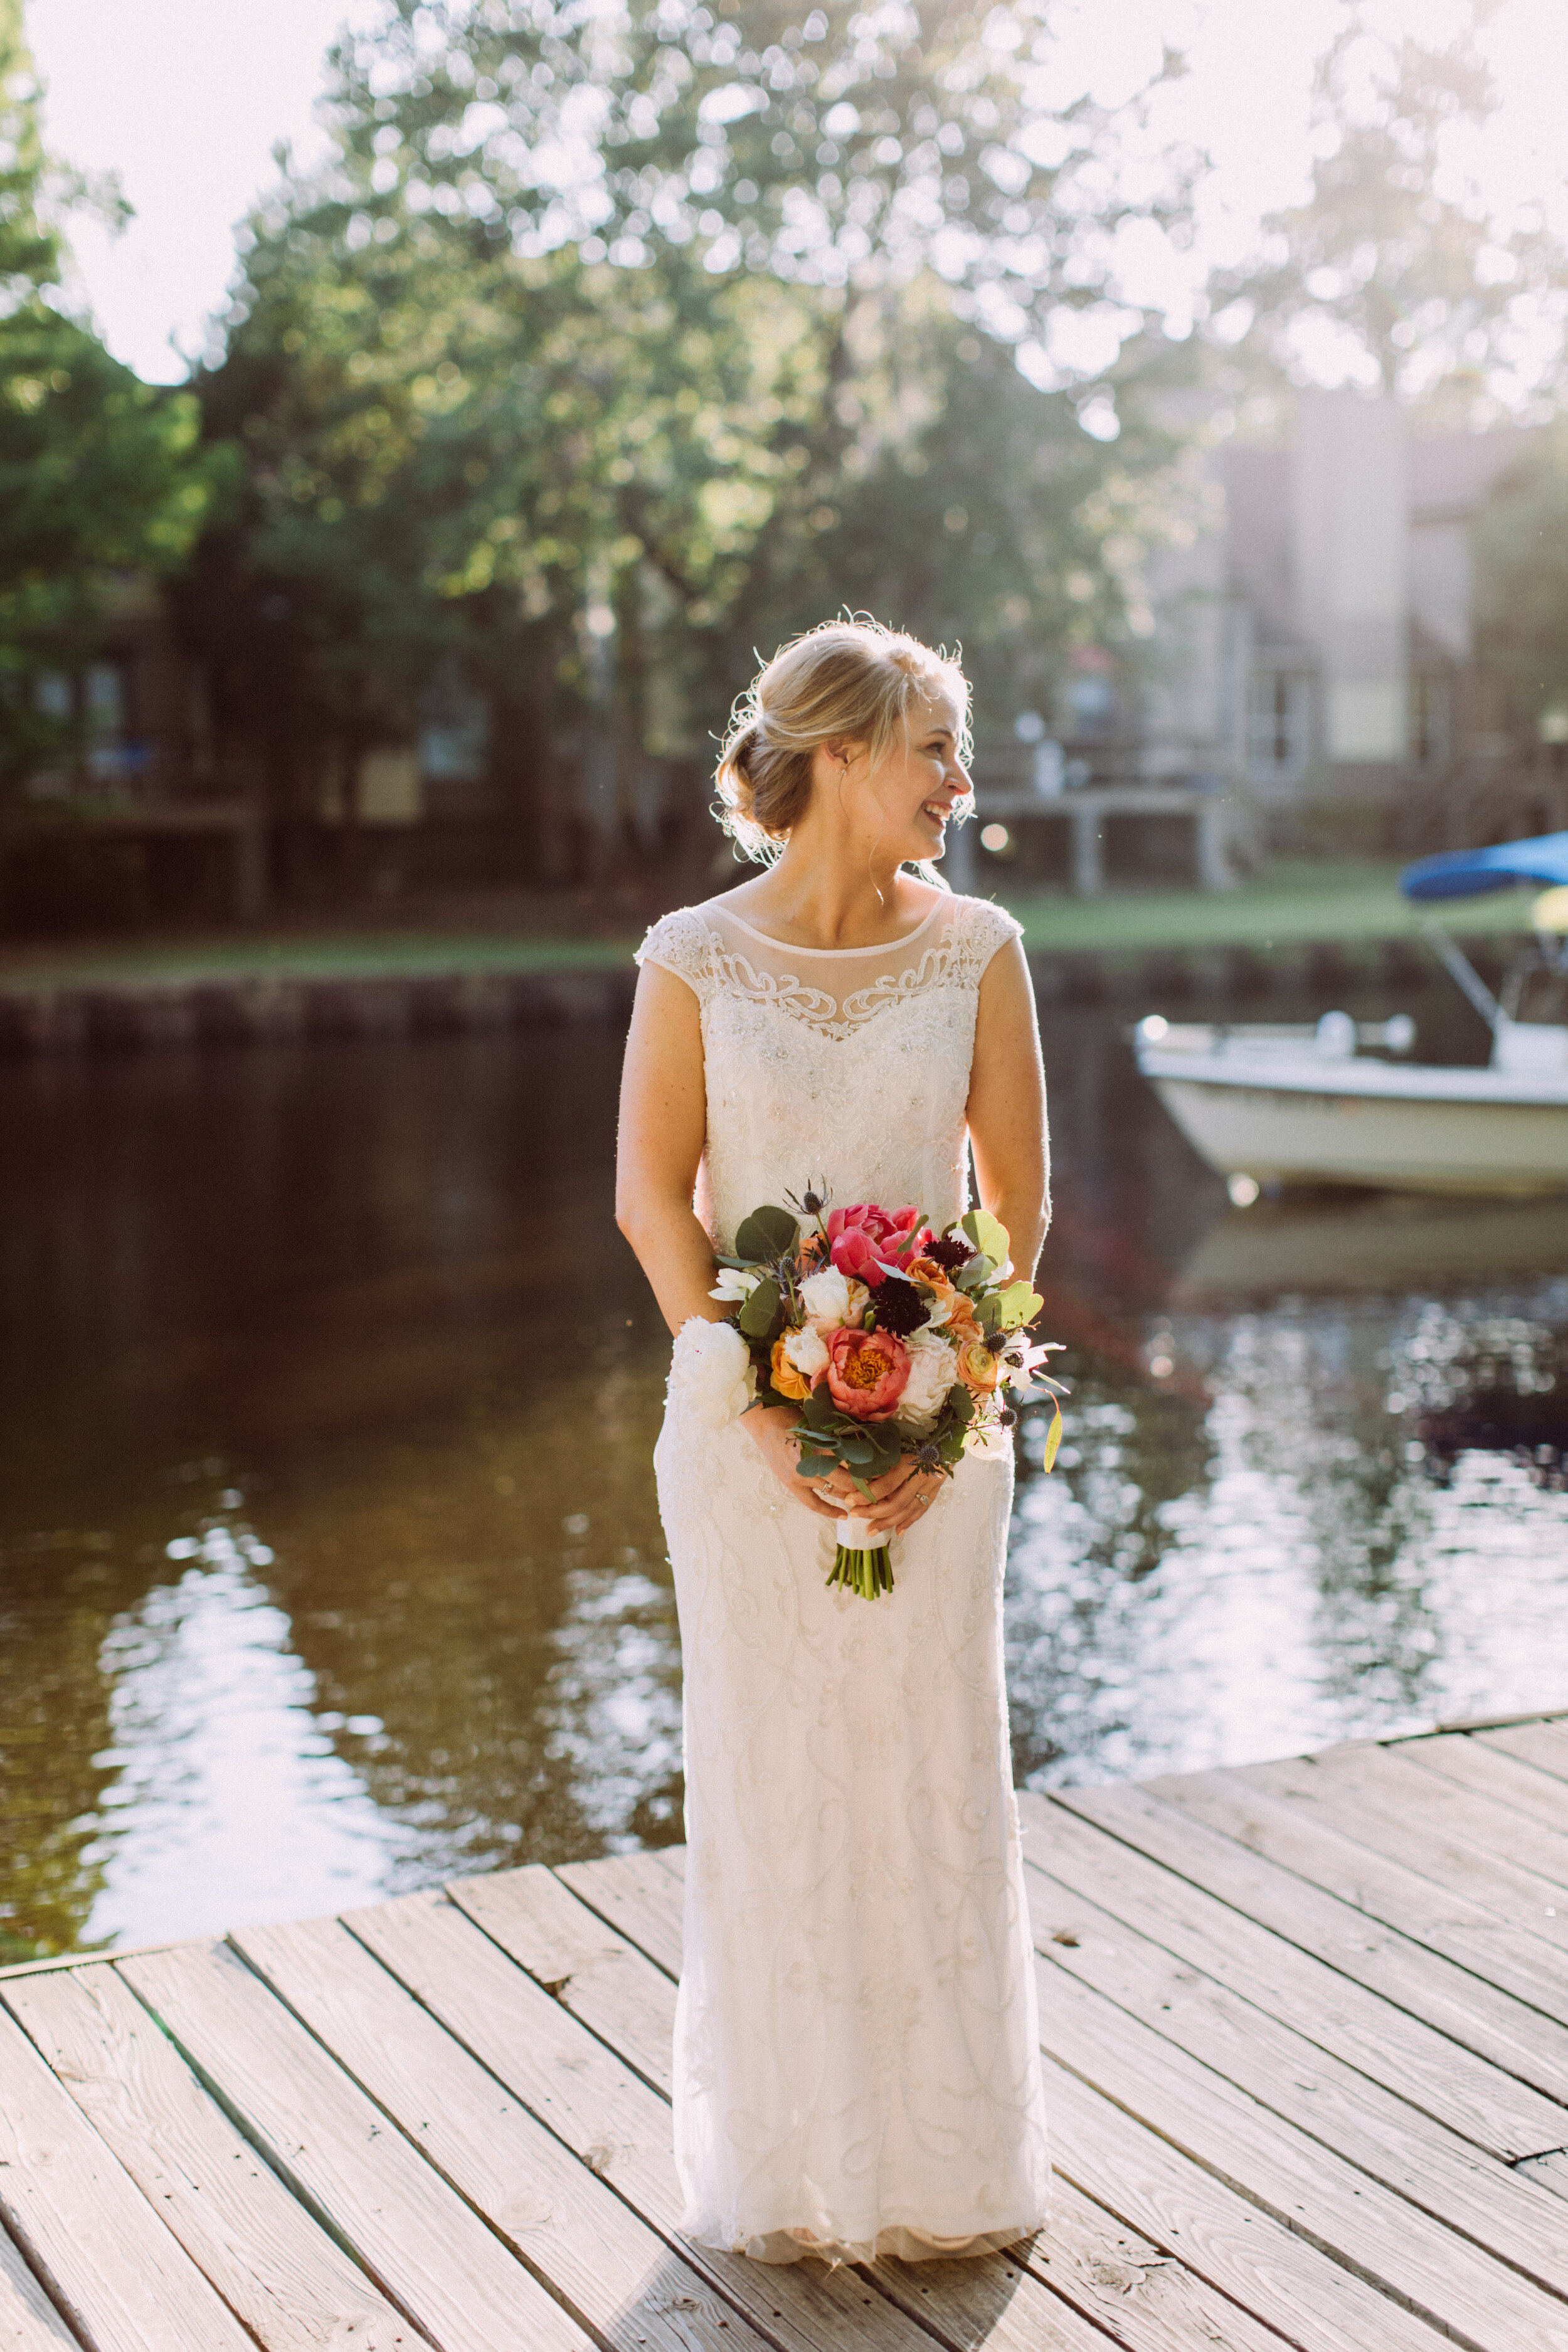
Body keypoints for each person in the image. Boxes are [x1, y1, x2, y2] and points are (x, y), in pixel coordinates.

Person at [616, 616, 1051, 2264]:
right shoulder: (692, 955)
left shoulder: (981, 949)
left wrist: (950, 1404)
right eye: (936, 749)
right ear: (844, 755)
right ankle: (788, 2172)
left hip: (944, 1437)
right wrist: (760, 1407)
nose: (958, 782)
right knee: (777, 1777)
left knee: (927, 1780)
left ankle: (942, 2172)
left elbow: (1013, 1210)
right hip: (742, 1444)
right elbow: (652, 1200)